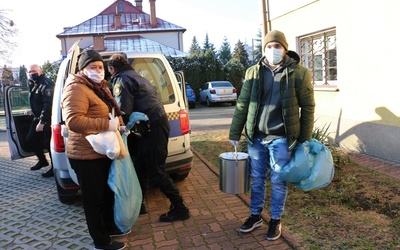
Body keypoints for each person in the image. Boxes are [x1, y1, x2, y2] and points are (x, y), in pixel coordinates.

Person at [229, 30, 315, 241]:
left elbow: (308, 106)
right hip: (256, 137)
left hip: (281, 138)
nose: (273, 50)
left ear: (285, 49)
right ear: (264, 49)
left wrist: (304, 138)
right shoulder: (253, 72)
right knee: (256, 179)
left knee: (278, 180)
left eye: (277, 46)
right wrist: (235, 132)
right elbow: (242, 105)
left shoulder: (299, 73)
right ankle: (256, 215)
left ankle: (275, 218)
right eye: (269, 46)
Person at [107, 53, 190, 222]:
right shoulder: (138, 76)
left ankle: (180, 208)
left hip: (151, 128)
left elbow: (124, 111)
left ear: (112, 68)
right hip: (154, 126)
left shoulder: (122, 80)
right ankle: (140, 204)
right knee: (141, 166)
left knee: (156, 171)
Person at [61, 49, 128, 250]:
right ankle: (101, 241)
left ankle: (109, 227)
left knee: (106, 193)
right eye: (93, 67)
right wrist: (107, 125)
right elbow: (73, 121)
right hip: (85, 155)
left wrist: (120, 126)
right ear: (83, 69)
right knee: (93, 199)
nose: (98, 70)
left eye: (100, 67)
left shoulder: (98, 87)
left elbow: (108, 112)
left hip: (100, 151)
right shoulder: (76, 88)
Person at [25, 64, 55, 177]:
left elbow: (48, 105)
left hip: (47, 119)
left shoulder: (46, 84)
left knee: (49, 144)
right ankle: (42, 160)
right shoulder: (34, 84)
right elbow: (37, 102)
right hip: (37, 117)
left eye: (34, 71)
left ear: (40, 71)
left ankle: (54, 167)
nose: (32, 73)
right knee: (30, 139)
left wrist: (42, 122)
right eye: (30, 71)